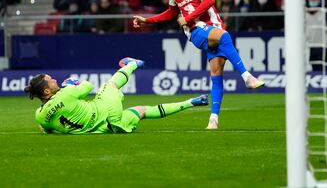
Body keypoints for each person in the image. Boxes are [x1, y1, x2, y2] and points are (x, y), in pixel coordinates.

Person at [133, 0, 264, 130]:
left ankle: (213, 119)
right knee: (225, 37)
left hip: (212, 24)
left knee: (216, 73)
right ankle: (247, 76)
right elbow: (171, 12)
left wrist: (187, 16)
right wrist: (148, 20)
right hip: (195, 31)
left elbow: (210, 0)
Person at [25, 57, 209, 134]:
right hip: (105, 110)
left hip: (104, 130)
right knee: (109, 84)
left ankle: (191, 102)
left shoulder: (40, 115)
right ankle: (132, 64)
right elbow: (88, 86)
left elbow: (45, 129)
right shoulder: (66, 93)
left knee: (142, 111)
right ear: (47, 91)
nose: (54, 80)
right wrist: (74, 82)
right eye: (50, 80)